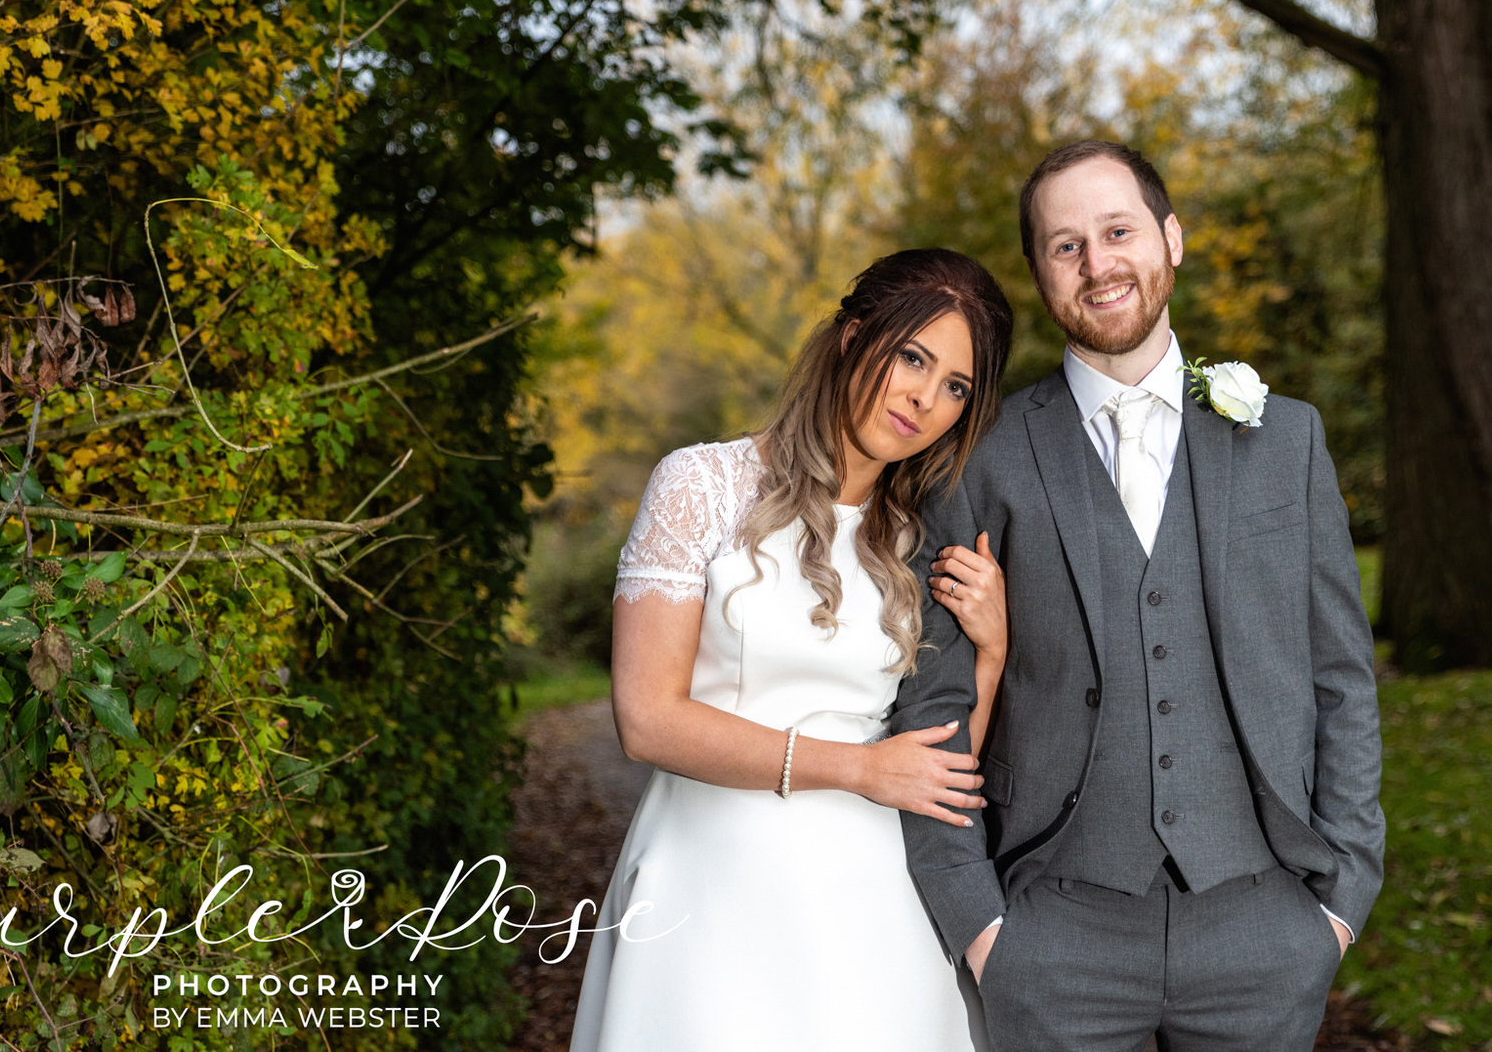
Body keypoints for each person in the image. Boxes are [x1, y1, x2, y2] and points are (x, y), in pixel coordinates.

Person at [893, 140, 1386, 1051]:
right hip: (1052, 935)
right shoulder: (981, 455)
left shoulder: (1287, 440)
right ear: (1040, 271)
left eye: (1117, 231)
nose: (1098, 263)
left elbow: (1341, 677)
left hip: (1264, 929)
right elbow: (936, 702)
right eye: (1065, 244)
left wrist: (1342, 899)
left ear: (1170, 238)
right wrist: (981, 925)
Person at [569, 247, 1016, 1052]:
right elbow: (646, 719)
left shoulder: (919, 540)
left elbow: (936, 775)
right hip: (711, 888)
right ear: (852, 337)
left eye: (957, 385)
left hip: (876, 911)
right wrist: (856, 768)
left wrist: (989, 654)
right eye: (913, 356)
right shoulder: (700, 485)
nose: (926, 396)